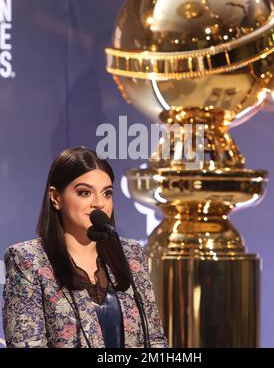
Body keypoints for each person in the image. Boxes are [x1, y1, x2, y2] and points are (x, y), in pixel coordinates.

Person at [2, 147, 168, 348]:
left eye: (107, 193)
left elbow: (155, 340)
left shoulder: (131, 254)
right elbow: (27, 345)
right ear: (56, 198)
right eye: (84, 192)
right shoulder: (27, 259)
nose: (99, 203)